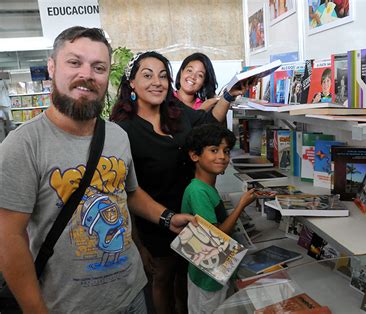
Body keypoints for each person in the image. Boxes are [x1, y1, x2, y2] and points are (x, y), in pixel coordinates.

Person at [0, 26, 194, 313]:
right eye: (74, 62)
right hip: (67, 305)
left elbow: (129, 192)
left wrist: (167, 218)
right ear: (52, 67)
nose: (87, 75)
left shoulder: (117, 136)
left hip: (132, 294)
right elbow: (8, 238)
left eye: (99, 67)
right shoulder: (23, 144)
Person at [110, 51, 251, 314]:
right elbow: (124, 191)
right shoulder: (123, 130)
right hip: (155, 220)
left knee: (192, 279)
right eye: (147, 75)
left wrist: (230, 96)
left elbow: (210, 121)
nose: (157, 82)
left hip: (193, 213)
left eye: (163, 75)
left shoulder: (177, 113)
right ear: (132, 83)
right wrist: (137, 243)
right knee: (162, 277)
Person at [181, 123, 256, 314]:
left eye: (226, 151)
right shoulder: (198, 191)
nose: (222, 156)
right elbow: (216, 236)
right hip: (207, 278)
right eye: (214, 150)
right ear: (194, 155)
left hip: (217, 270)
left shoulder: (206, 187)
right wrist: (241, 205)